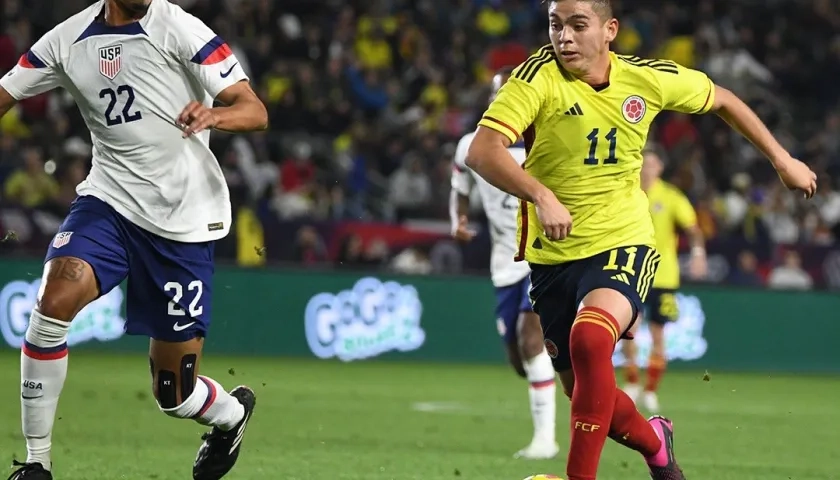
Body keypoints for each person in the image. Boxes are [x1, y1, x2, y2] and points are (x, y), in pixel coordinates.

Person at [465, 0, 816, 479]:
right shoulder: (535, 78)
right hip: (553, 258)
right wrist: (540, 194)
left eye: (577, 25)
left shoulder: (646, 78)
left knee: (590, 338)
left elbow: (724, 100)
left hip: (623, 240)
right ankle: (657, 445)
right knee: (589, 394)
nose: (564, 37)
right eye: (555, 25)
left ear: (610, 30)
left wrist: (781, 159)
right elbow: (483, 152)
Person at [0, 1, 268, 479]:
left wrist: (214, 117)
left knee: (175, 395)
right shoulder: (65, 40)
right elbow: (4, 93)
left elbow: (254, 109)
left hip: (181, 224)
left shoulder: (179, 27)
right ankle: (36, 463)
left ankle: (231, 417)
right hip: (110, 204)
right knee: (52, 302)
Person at [450, 68, 558, 460]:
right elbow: (459, 185)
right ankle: (567, 382)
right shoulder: (471, 145)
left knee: (532, 340)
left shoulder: (546, 142)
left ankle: (546, 440)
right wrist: (458, 219)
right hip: (503, 262)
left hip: (544, 256)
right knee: (520, 358)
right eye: (499, 96)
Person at [621, 146, 707, 413]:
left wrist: (698, 254)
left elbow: (693, 229)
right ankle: (633, 382)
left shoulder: (671, 197)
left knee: (659, 333)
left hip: (663, 276)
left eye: (653, 165)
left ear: (660, 168)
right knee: (628, 330)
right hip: (630, 272)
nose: (647, 169)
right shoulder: (625, 191)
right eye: (644, 164)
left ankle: (650, 390)